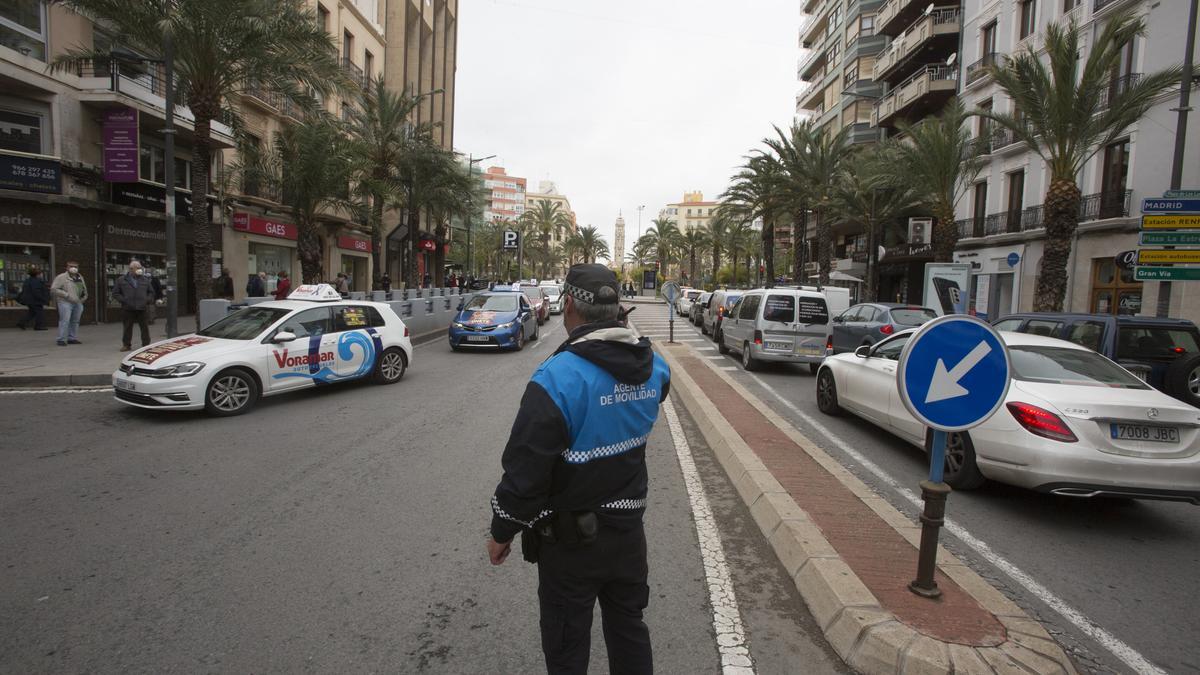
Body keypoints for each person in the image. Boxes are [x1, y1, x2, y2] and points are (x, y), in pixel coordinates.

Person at [486, 263, 670, 675]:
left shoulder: (558, 377)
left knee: (567, 645)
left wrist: (502, 531)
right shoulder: (653, 366)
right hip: (628, 537)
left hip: (570, 547)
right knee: (629, 630)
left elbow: (526, 472)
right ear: (618, 309)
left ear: (568, 304)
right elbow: (654, 397)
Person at [112, 260, 155, 351]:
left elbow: (151, 292)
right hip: (128, 308)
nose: (140, 270)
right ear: (131, 269)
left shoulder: (145, 280)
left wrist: (146, 300)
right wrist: (124, 301)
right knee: (127, 327)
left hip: (142, 307)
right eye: (138, 268)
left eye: (140, 267)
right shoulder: (121, 280)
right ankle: (126, 345)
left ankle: (146, 344)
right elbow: (115, 293)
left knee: (144, 327)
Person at [50, 260, 88, 347]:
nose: (73, 268)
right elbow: (54, 289)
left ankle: (72, 338)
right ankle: (61, 339)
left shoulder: (80, 277)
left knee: (75, 321)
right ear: (67, 267)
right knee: (65, 320)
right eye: (71, 266)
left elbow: (83, 288)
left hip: (78, 302)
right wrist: (66, 295)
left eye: (75, 267)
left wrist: (84, 296)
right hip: (65, 302)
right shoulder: (62, 277)